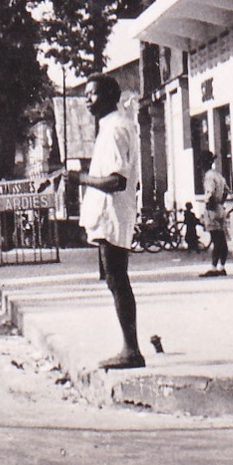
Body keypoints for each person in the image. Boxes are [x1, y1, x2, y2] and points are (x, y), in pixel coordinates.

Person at [68, 75, 145, 370]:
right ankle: (130, 348)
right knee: (115, 280)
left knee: (117, 280)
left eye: (93, 94)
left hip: (112, 212)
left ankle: (131, 350)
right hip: (110, 213)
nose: (88, 100)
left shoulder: (114, 130)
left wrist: (79, 178)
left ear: (110, 96)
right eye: (86, 94)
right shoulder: (113, 127)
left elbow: (116, 181)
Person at [201, 156, 230, 277]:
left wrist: (209, 206)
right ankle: (222, 266)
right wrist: (220, 204)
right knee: (222, 239)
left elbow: (210, 193)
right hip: (219, 208)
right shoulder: (218, 176)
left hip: (212, 209)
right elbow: (227, 191)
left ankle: (213, 268)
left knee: (216, 239)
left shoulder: (208, 177)